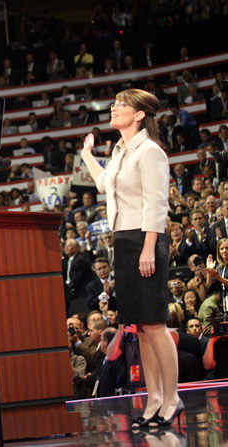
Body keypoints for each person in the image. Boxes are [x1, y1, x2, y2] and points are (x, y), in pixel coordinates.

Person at [81, 89, 181, 428]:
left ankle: (172, 398)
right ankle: (153, 399)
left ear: (139, 115)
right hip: (124, 240)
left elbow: (157, 203)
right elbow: (103, 185)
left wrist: (149, 246)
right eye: (113, 104)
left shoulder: (150, 151)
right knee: (139, 328)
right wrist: (87, 155)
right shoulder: (120, 150)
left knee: (155, 324)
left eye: (121, 105)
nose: (114, 108)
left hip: (144, 237)